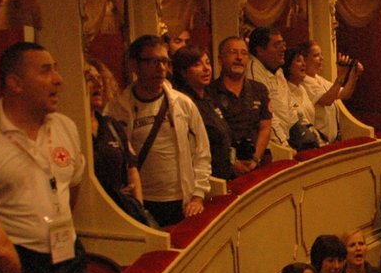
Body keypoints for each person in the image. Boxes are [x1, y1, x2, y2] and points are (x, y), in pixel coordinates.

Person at [0, 41, 91, 273]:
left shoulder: (65, 127)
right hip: (22, 262)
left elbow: (71, 189)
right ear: (15, 83)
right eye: (45, 71)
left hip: (69, 255)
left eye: (56, 69)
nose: (58, 79)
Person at [107, 35, 210, 227]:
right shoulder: (118, 108)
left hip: (180, 200)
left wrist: (198, 195)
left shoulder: (182, 104)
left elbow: (202, 152)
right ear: (135, 65)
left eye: (164, 61)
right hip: (143, 200)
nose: (161, 68)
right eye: (153, 61)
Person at [83, 60, 148, 224]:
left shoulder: (111, 126)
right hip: (92, 217)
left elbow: (132, 170)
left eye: (100, 78)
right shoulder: (73, 129)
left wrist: (138, 208)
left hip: (123, 214)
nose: (98, 84)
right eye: (89, 78)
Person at [207, 35, 274, 175]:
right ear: (220, 59)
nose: (239, 57)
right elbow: (210, 137)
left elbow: (265, 128)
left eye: (244, 53)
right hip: (223, 169)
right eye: (233, 52)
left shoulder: (259, 89)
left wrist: (255, 159)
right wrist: (231, 162)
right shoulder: (209, 93)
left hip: (255, 165)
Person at [171, 46, 234, 181]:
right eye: (197, 65)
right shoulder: (182, 102)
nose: (206, 69)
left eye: (208, 63)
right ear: (183, 72)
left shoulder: (210, 96)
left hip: (225, 173)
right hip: (204, 178)